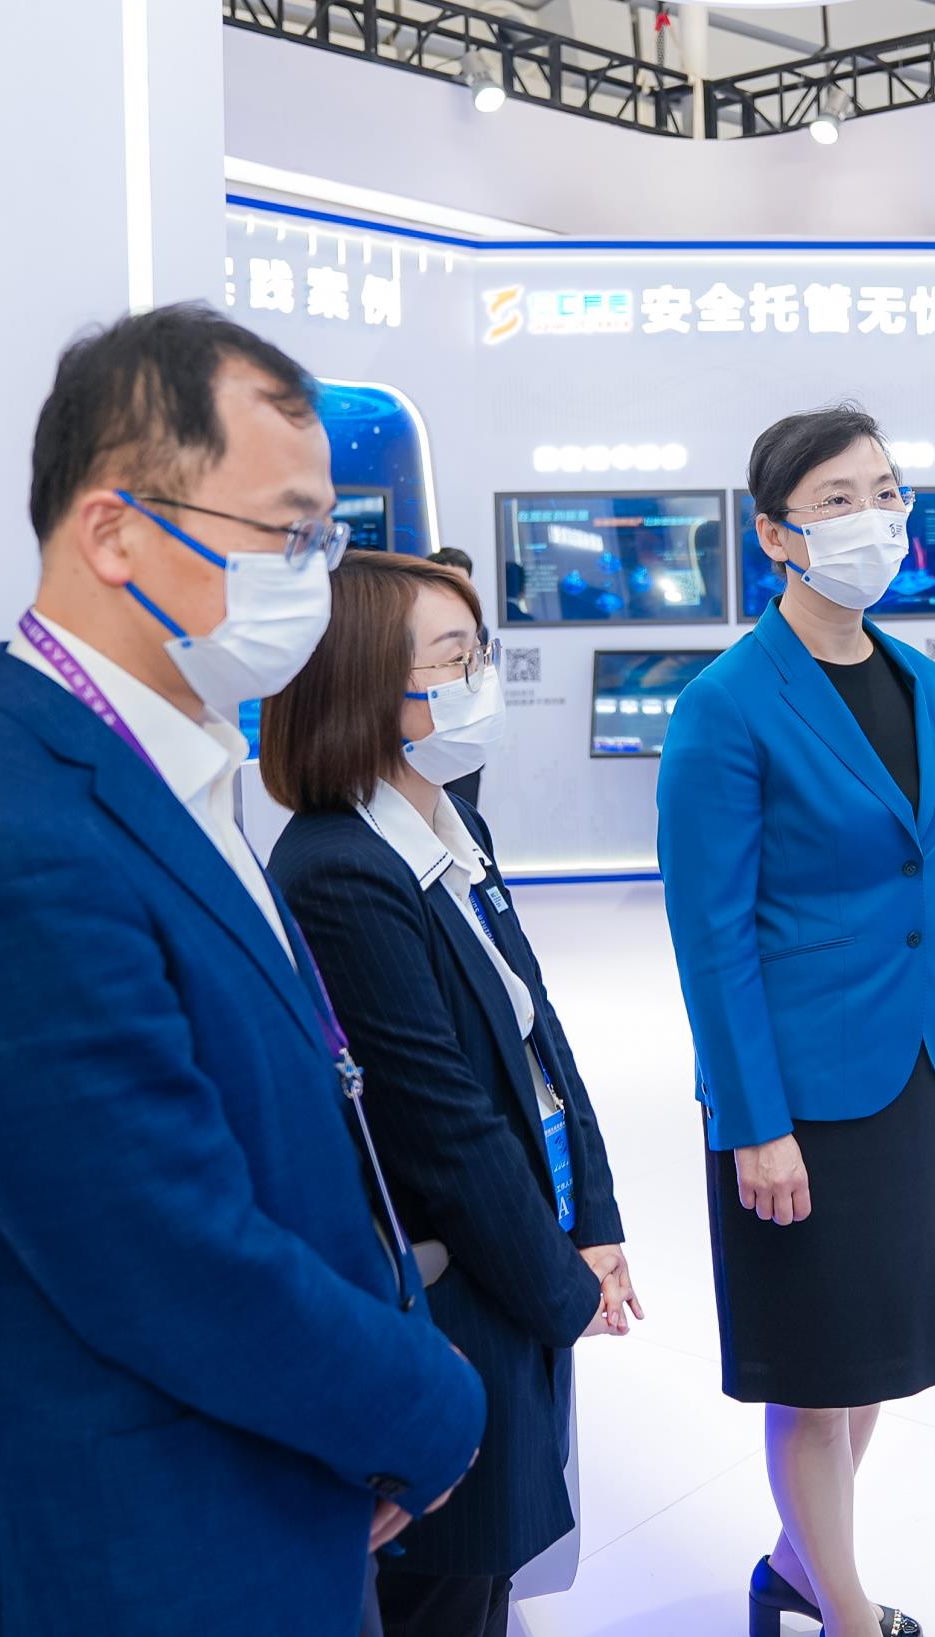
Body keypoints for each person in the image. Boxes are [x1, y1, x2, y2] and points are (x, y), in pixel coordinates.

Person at [0, 304, 486, 1637]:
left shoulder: (174, 772)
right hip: (143, 1563)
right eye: (285, 533)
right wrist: (429, 1407)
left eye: (324, 536)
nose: (315, 578)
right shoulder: (3, 834)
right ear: (114, 532)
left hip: (279, 1501)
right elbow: (172, 1260)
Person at [655, 406, 935, 1637]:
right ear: (775, 534)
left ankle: (799, 1570)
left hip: (911, 1066)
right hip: (799, 1092)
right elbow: (713, 938)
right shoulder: (725, 705)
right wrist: (753, 1123)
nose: (874, 518)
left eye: (886, 491)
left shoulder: (916, 679)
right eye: (839, 498)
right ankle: (844, 1613)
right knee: (813, 1372)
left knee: (874, 1358)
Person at [260, 551, 638, 1637]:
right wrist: (563, 1290)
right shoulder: (339, 868)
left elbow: (538, 1031)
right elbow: (443, 1132)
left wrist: (596, 1219)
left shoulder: (447, 825)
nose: (480, 681)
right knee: (449, 1585)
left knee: (493, 1574)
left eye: (480, 653)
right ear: (364, 687)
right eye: (454, 659)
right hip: (452, 1293)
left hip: (520, 1250)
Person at [428, 546, 486, 808]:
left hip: (464, 741)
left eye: (462, 584)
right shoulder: (409, 630)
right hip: (424, 743)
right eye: (446, 583)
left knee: (462, 817)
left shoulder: (480, 630)